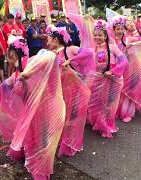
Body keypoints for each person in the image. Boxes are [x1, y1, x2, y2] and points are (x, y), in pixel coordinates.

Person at [0, 46, 65, 180]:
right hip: (34, 112)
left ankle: (41, 169)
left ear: (18, 55)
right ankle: (33, 159)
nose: (9, 61)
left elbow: (48, 55)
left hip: (47, 109)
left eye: (12, 57)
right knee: (31, 137)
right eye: (9, 58)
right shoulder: (18, 71)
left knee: (43, 141)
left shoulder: (32, 62)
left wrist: (29, 72)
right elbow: (8, 83)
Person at [46, 25, 95, 157]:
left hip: (75, 91)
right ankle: (63, 141)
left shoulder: (69, 49)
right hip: (61, 91)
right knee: (62, 116)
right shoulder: (53, 54)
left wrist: (71, 60)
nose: (47, 43)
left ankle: (70, 144)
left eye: (49, 39)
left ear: (56, 39)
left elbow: (89, 53)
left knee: (72, 118)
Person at [87, 20, 128, 138]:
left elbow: (123, 61)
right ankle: (98, 123)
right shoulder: (93, 48)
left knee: (109, 105)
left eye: (100, 35)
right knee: (97, 102)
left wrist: (113, 71)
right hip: (98, 80)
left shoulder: (111, 46)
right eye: (95, 35)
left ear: (105, 36)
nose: (97, 37)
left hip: (112, 80)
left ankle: (106, 126)